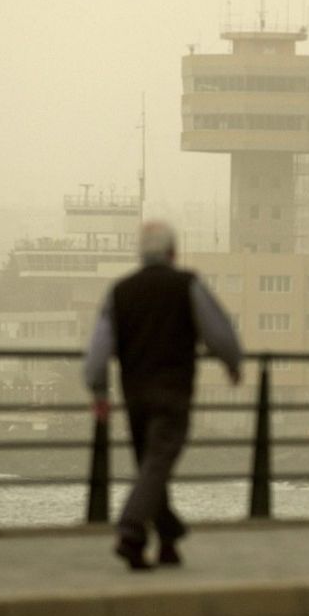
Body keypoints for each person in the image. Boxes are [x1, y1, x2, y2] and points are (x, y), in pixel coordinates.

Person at [84, 221, 242, 570]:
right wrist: (232, 362)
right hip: (173, 392)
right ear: (173, 252)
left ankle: (168, 539)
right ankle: (130, 531)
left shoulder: (119, 292)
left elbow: (98, 350)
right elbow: (218, 331)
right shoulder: (187, 285)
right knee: (156, 465)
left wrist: (99, 390)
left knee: (150, 466)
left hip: (135, 396)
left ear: (141, 254)